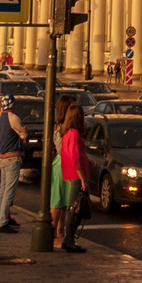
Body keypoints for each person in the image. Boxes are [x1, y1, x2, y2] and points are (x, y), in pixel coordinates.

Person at [50, 102, 87, 253]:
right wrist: (83, 179)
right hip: (71, 173)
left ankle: (66, 237)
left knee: (70, 206)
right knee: (75, 208)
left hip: (68, 171)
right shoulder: (73, 133)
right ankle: (67, 239)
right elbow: (74, 157)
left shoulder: (66, 132)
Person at [0, 95, 29, 232]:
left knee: (2, 190)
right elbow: (22, 136)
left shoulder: (0, 119)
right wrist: (24, 132)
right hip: (13, 156)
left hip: (2, 158)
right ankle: (3, 222)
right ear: (12, 105)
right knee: (9, 191)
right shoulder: (13, 117)